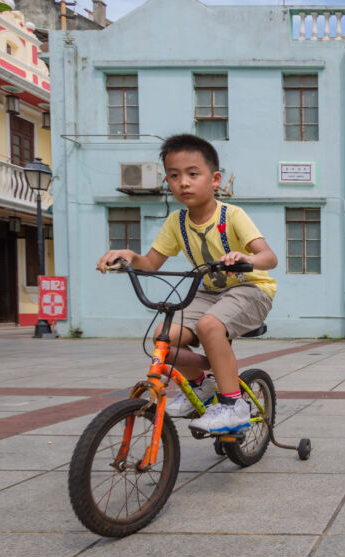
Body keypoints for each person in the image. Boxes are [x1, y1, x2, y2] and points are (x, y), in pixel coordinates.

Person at [96, 134, 278, 434]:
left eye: (193, 174)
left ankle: (234, 406)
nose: (183, 183)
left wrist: (245, 258)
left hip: (250, 289)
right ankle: (200, 385)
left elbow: (268, 258)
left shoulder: (231, 216)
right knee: (163, 337)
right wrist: (127, 256)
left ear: (215, 179)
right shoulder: (176, 222)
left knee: (209, 326)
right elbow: (151, 264)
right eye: (174, 175)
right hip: (208, 292)